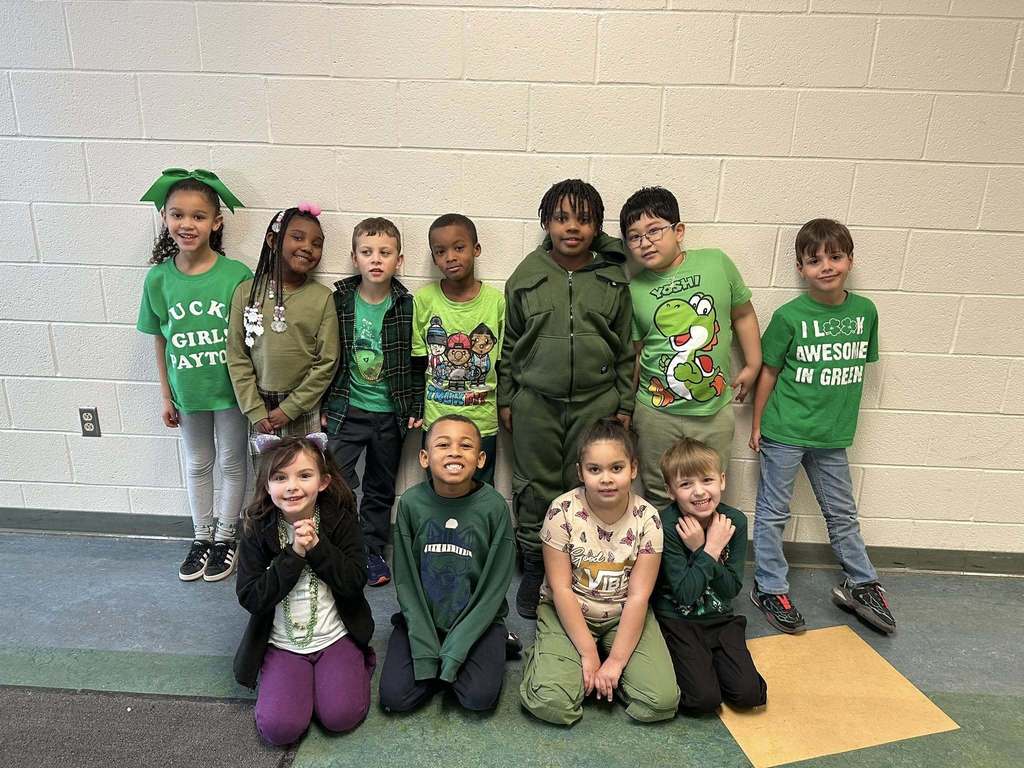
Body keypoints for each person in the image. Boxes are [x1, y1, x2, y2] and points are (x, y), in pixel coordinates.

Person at [749, 218, 895, 635]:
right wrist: (758, 424)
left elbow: (855, 371)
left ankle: (862, 582)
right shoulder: (789, 316)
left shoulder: (865, 313)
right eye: (814, 260)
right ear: (801, 268)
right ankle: (770, 587)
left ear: (850, 260)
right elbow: (769, 373)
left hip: (831, 436)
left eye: (835, 256)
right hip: (784, 431)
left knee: (842, 513)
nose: (826, 266)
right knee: (774, 513)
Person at [499, 179, 635, 619]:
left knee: (589, 485)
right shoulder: (526, 276)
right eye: (561, 218)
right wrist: (507, 397)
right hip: (535, 402)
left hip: (596, 403)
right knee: (534, 488)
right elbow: (511, 342)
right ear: (547, 224)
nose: (572, 227)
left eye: (583, 219)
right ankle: (535, 568)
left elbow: (625, 347)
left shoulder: (613, 279)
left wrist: (625, 404)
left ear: (597, 227)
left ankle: (583, 566)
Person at [519, 419, 679, 726]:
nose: (606, 479)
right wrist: (589, 654)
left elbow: (639, 596)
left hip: (623, 613)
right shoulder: (561, 511)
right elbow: (561, 589)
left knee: (660, 703)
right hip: (568, 611)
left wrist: (616, 663)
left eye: (616, 468)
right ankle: (549, 658)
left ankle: (607, 670)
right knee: (552, 703)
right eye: (595, 470)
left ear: (633, 469)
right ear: (580, 472)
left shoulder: (648, 519)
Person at [136, 168, 251, 581]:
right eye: (178, 215)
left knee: (234, 462)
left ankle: (226, 536)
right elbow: (159, 341)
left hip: (232, 391)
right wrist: (166, 397)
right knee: (198, 462)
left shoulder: (236, 275)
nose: (188, 224)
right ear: (165, 219)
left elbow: (249, 339)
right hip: (188, 392)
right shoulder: (158, 279)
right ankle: (201, 536)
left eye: (199, 216)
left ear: (216, 223)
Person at [620, 186, 761, 511]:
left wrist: (753, 364)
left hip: (711, 409)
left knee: (707, 494)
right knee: (660, 494)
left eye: (654, 230)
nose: (646, 242)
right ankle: (663, 559)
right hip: (656, 413)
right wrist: (627, 407)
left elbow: (742, 313)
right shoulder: (634, 288)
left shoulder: (716, 263)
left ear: (679, 231)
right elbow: (636, 353)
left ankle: (705, 556)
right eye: (635, 236)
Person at [234, 434, 375, 746]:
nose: (292, 486)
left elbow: (354, 581)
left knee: (341, 717)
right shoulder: (257, 528)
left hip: (335, 636)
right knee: (279, 729)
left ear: (323, 482)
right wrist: (294, 554)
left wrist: (318, 546)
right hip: (283, 643)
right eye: (280, 478)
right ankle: (293, 686)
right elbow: (252, 597)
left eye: (304, 475)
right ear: (267, 485)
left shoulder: (340, 518)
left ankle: (348, 669)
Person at [379, 415, 515, 712]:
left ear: (480, 459)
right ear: (425, 458)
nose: (454, 452)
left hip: (478, 619)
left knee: (477, 699)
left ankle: (496, 641)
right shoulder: (411, 504)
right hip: (423, 617)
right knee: (395, 698)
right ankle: (437, 654)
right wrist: (427, 650)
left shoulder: (494, 507)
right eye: (443, 444)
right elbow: (406, 582)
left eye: (465, 446)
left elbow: (493, 588)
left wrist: (454, 654)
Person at [322, 218, 425, 587]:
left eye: (385, 253)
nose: (376, 260)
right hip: (347, 410)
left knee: (380, 487)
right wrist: (324, 405)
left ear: (399, 260)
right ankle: (339, 546)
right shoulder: (339, 302)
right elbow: (327, 358)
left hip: (389, 416)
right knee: (337, 483)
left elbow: (417, 362)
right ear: (354, 258)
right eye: (367, 252)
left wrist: (415, 405)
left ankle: (372, 550)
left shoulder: (406, 305)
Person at [653, 437, 766, 714]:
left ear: (722, 480)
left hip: (720, 620)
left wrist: (705, 548)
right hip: (677, 620)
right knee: (703, 700)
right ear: (670, 491)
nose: (699, 492)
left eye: (707, 480)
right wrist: (711, 549)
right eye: (685, 484)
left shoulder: (734, 522)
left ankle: (714, 663)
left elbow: (730, 590)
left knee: (749, 696)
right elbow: (684, 593)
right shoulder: (666, 524)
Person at [226, 203, 339, 451]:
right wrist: (255, 409)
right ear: (273, 240)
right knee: (269, 480)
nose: (307, 247)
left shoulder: (323, 298)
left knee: (305, 477)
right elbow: (236, 355)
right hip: (259, 406)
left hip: (304, 405)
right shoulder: (247, 292)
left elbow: (327, 361)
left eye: (317, 243)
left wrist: (290, 408)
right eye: (297, 237)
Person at [412, 213, 505, 484]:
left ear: (476, 250)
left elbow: (505, 360)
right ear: (433, 258)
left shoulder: (496, 302)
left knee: (481, 493)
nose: (450, 257)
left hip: (482, 422)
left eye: (459, 248)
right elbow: (417, 359)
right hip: (436, 421)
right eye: (441, 251)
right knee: (436, 491)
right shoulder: (424, 300)